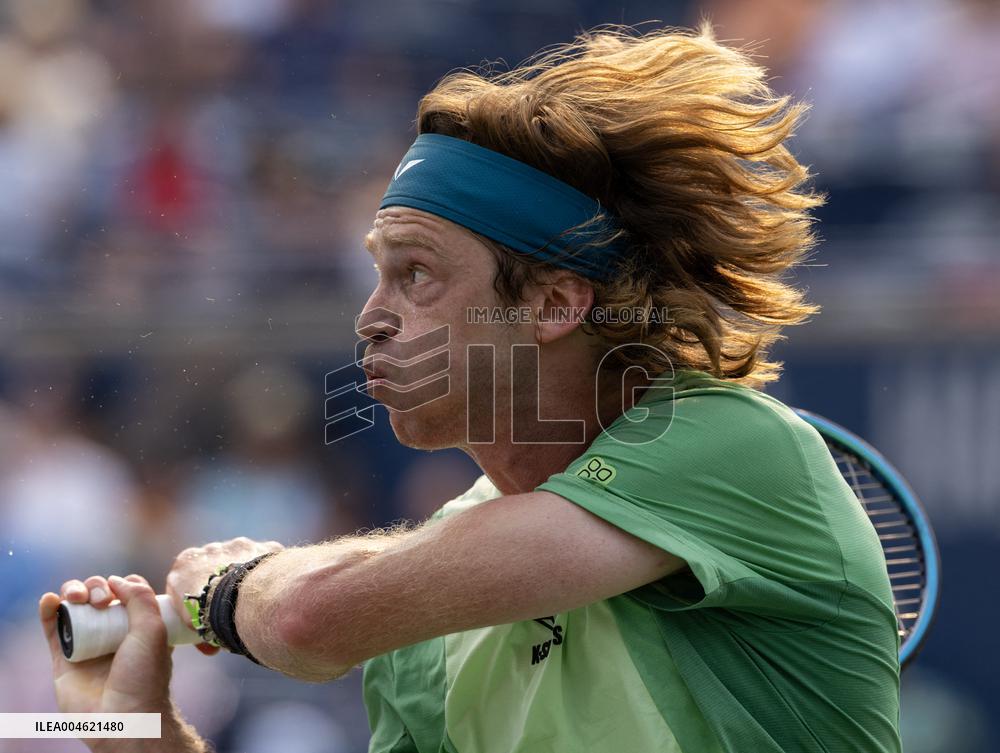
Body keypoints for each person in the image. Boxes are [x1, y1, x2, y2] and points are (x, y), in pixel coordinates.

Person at [39, 24, 902, 753]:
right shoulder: (427, 618)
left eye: (416, 275)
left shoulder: (731, 444)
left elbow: (308, 620)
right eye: (376, 275)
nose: (372, 318)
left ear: (555, 302)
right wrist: (137, 730)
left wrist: (229, 588)